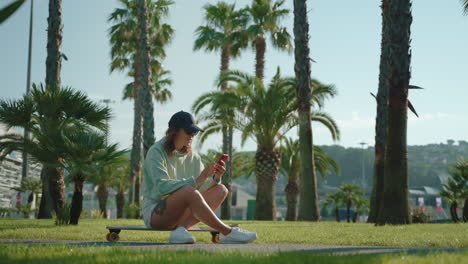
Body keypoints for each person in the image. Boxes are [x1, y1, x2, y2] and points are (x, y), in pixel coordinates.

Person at [141, 110, 257, 244]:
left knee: (221, 189)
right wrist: (196, 180)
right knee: (187, 190)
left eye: (194, 132)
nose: (192, 136)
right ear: (174, 131)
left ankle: (181, 230)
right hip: (157, 214)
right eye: (188, 132)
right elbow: (162, 187)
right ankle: (227, 232)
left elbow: (200, 189)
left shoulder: (193, 157)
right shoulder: (156, 151)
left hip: (181, 213)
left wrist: (215, 179)